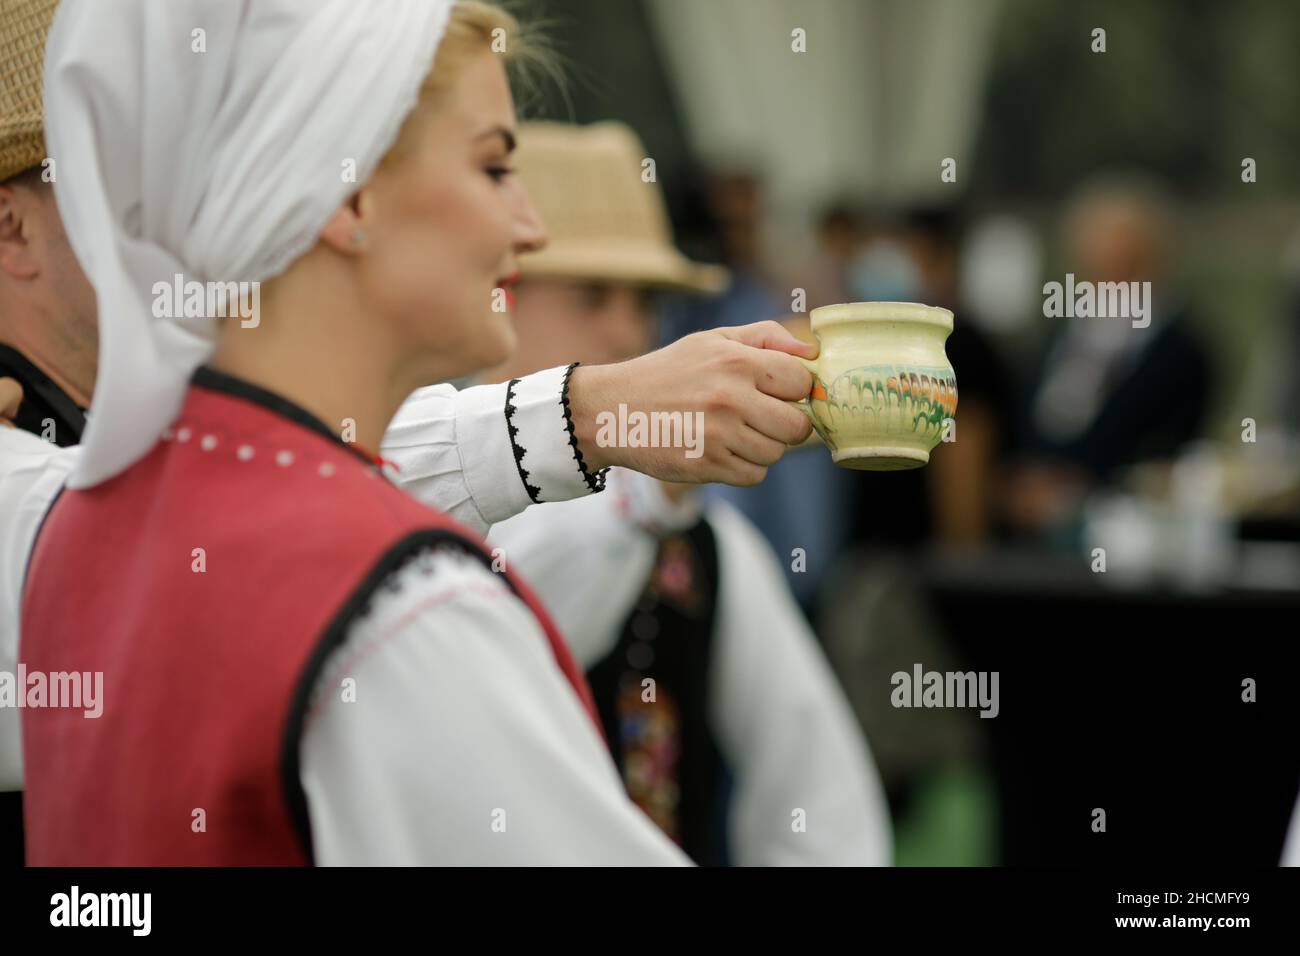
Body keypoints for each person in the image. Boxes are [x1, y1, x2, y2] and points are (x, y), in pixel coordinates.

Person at [0, 0, 815, 864]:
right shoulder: (407, 609)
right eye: (495, 167)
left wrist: (600, 416)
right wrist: (604, 425)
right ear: (348, 196)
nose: (531, 229)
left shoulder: (86, 530)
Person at [484, 121, 892, 865]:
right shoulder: (415, 490)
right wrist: (657, 490)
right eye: (591, 295)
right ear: (494, 296)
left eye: (645, 302)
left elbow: (819, 794)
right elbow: (512, 639)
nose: (627, 330)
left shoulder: (708, 539)